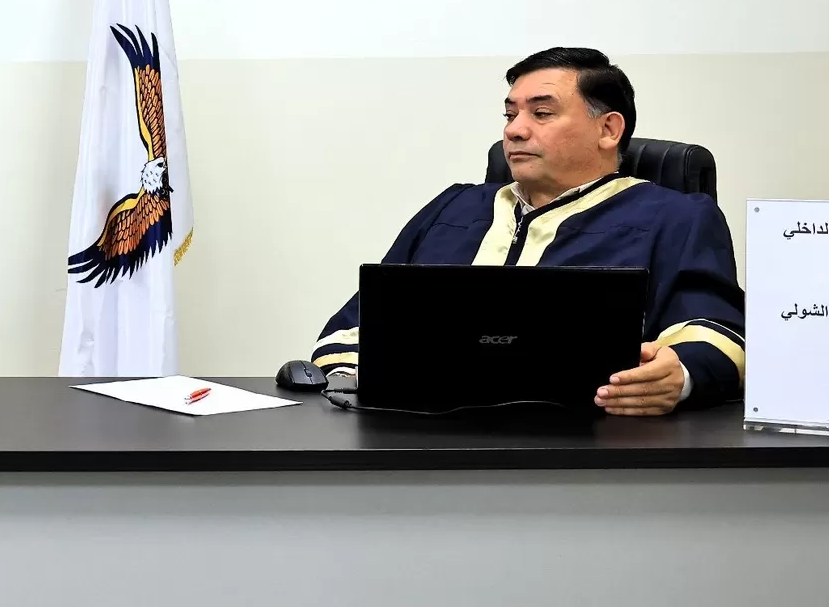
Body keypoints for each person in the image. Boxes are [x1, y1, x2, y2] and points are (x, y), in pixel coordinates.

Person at [312, 47, 743, 415]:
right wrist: (350, 374)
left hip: (591, 443)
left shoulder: (675, 217)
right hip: (419, 433)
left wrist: (677, 373)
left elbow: (713, 332)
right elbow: (357, 328)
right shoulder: (454, 207)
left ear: (608, 129)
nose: (514, 130)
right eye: (510, 114)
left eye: (541, 113)